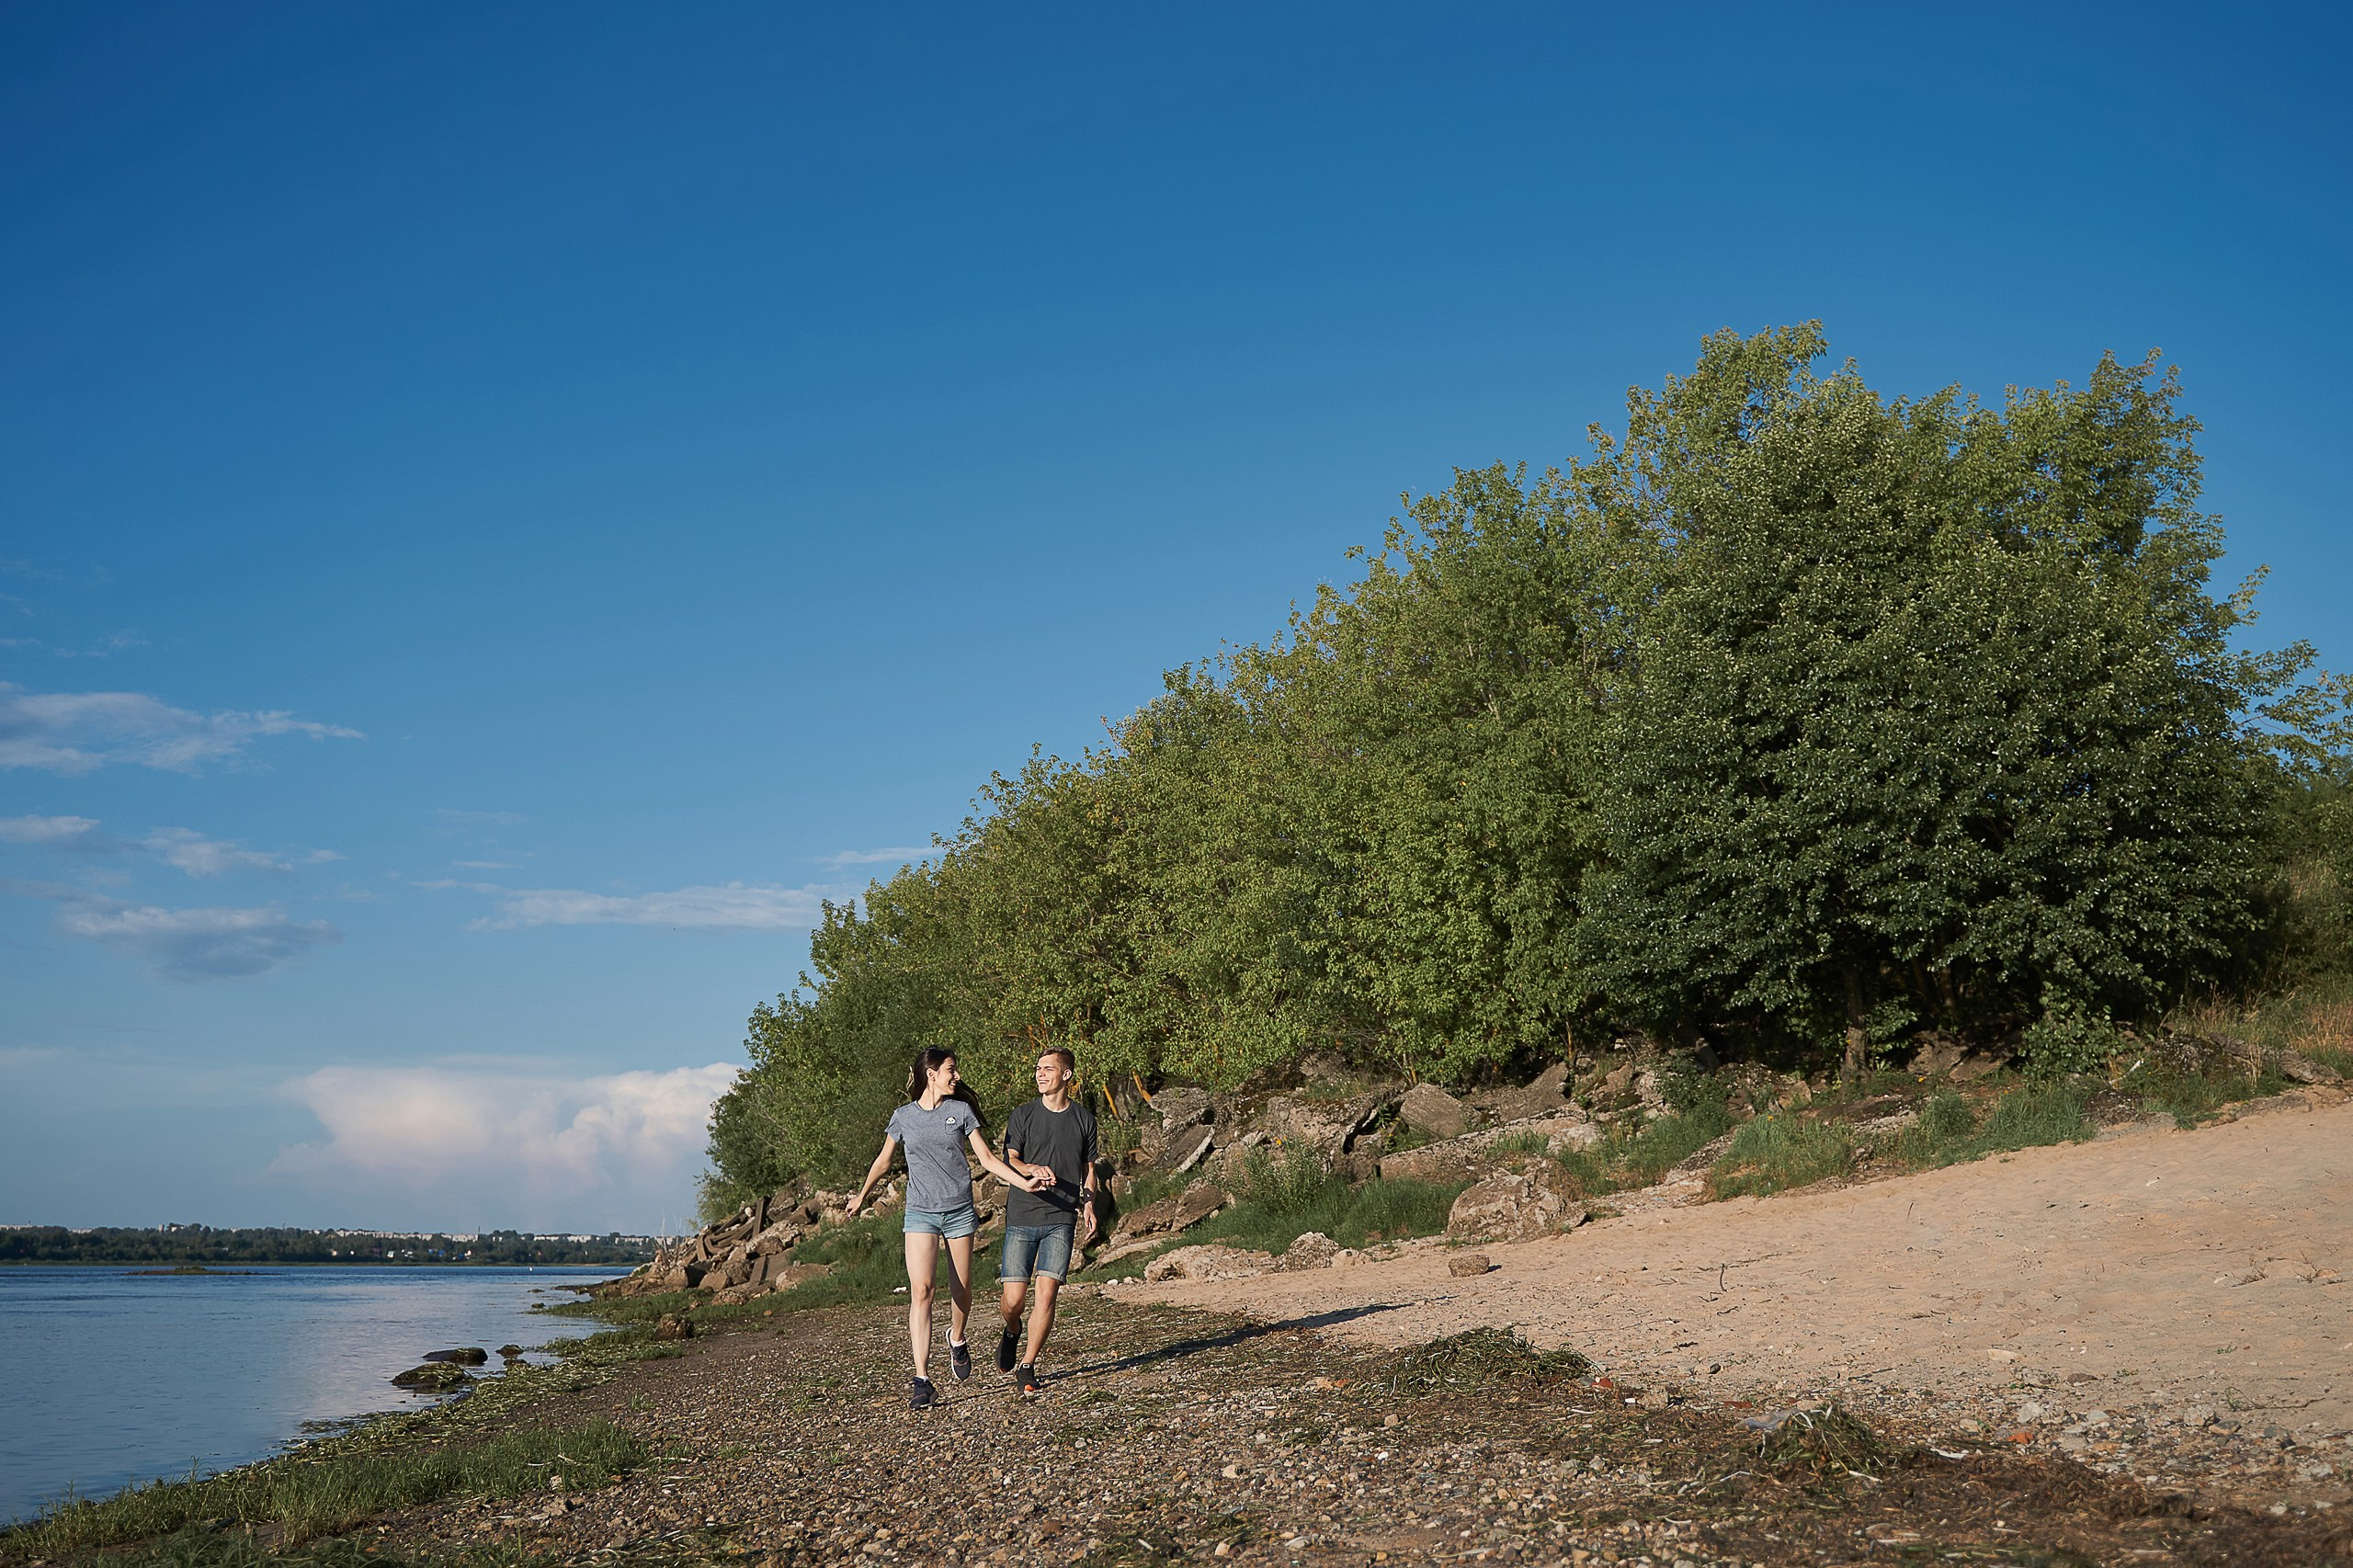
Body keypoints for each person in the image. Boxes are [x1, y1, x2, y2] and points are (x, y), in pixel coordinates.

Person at [845, 1048, 1048, 1409]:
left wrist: (1023, 1181)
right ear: (932, 1074)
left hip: (958, 1212)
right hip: (921, 1213)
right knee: (921, 1290)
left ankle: (956, 1336)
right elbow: (884, 1160)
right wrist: (862, 1196)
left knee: (962, 1291)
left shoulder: (961, 1112)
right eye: (951, 1071)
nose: (956, 1077)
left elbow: (986, 1159)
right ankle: (921, 1380)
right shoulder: (903, 1117)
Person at [995, 1046, 1099, 1395]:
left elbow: (1089, 1170)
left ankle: (1027, 1365)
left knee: (1047, 1294)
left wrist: (1088, 1204)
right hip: (1023, 1215)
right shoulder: (1023, 1115)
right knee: (1013, 1301)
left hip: (1061, 1219)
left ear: (1066, 1075)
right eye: (1038, 1068)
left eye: (1048, 1069)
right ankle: (1011, 1330)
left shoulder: (1085, 1119)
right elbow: (1010, 1159)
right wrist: (1031, 1169)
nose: (1040, 1074)